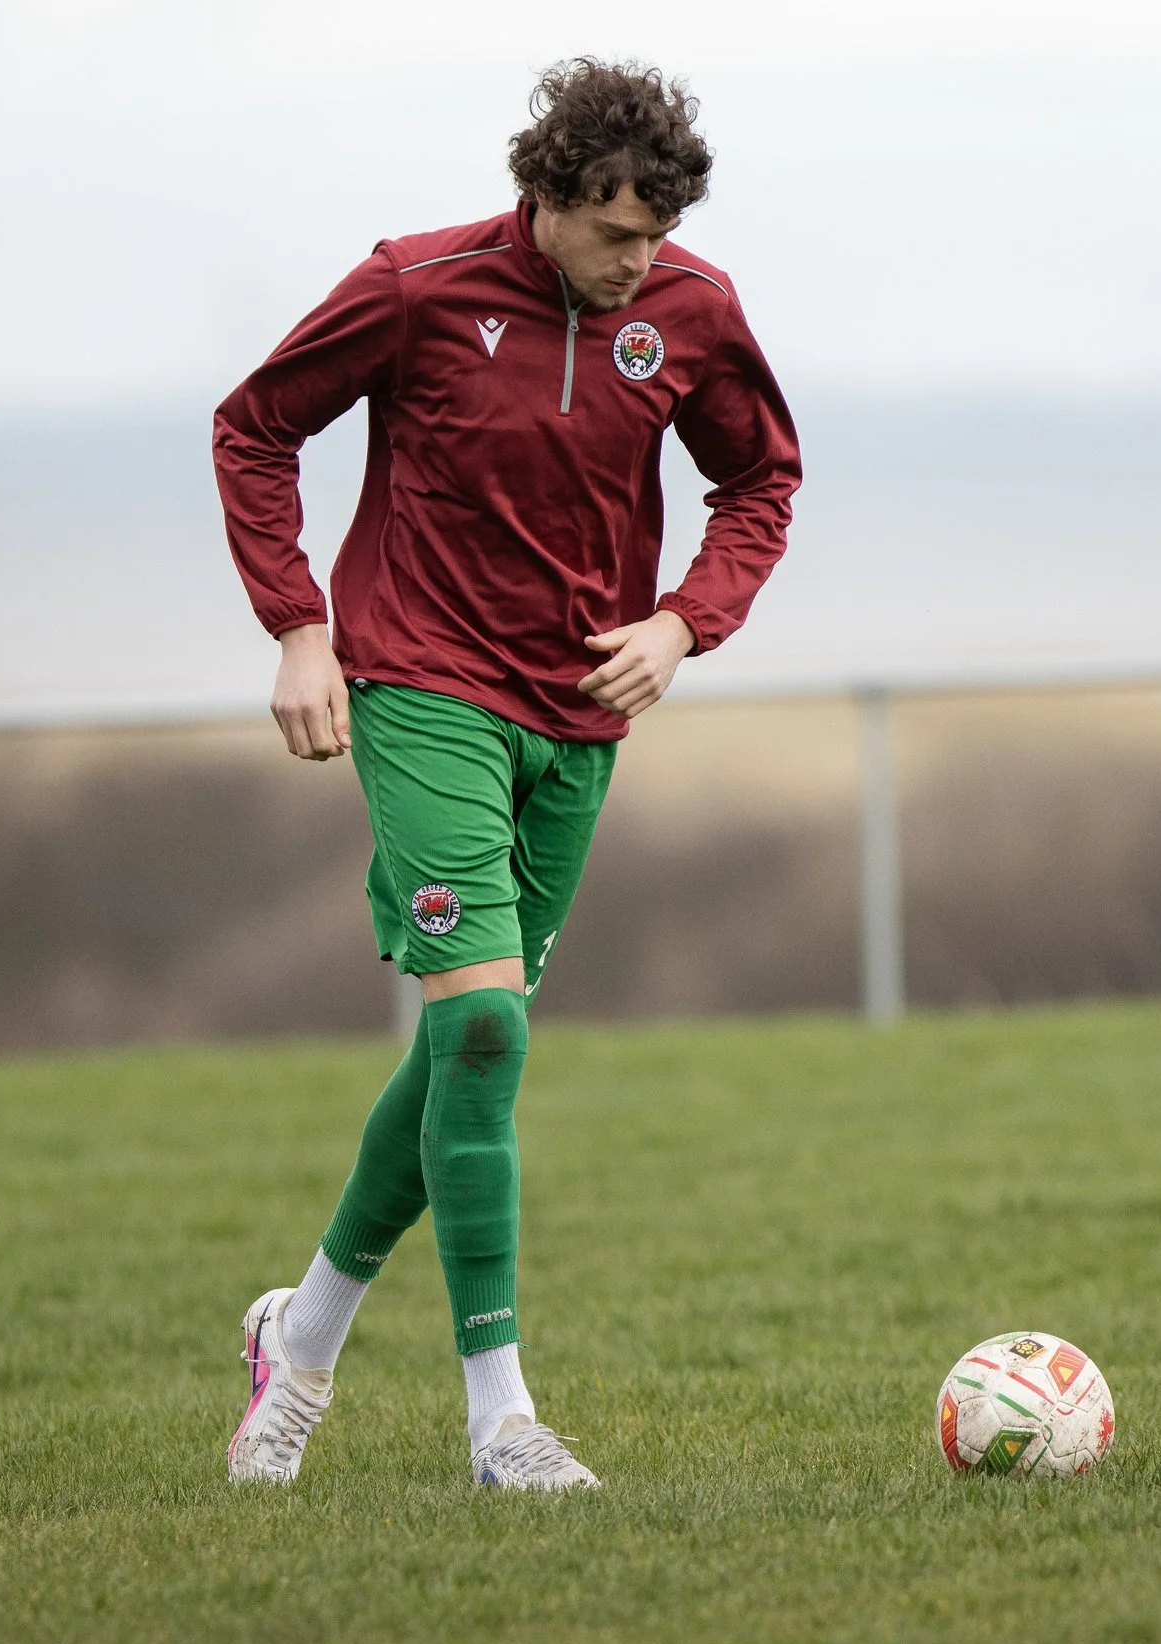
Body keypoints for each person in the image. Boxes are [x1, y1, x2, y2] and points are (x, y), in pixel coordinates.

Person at [210, 58, 800, 1490]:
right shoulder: (414, 287)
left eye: (658, 234)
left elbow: (761, 481)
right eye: (615, 233)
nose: (639, 260)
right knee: (484, 1036)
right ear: (543, 198)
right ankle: (502, 1423)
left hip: (581, 718)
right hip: (422, 691)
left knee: (459, 1049)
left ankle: (297, 1342)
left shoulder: (694, 312)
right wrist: (300, 629)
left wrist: (681, 621)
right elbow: (256, 425)